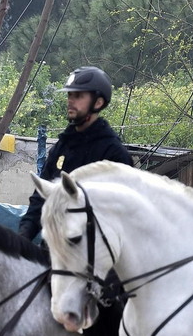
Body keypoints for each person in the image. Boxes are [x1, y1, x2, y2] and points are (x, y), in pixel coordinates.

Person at [18, 66, 135, 241]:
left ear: (98, 103)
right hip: (54, 248)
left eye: (78, 96)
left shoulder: (113, 153)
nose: (70, 101)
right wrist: (24, 233)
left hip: (92, 256)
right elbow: (41, 197)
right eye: (69, 95)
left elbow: (122, 214)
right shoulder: (62, 146)